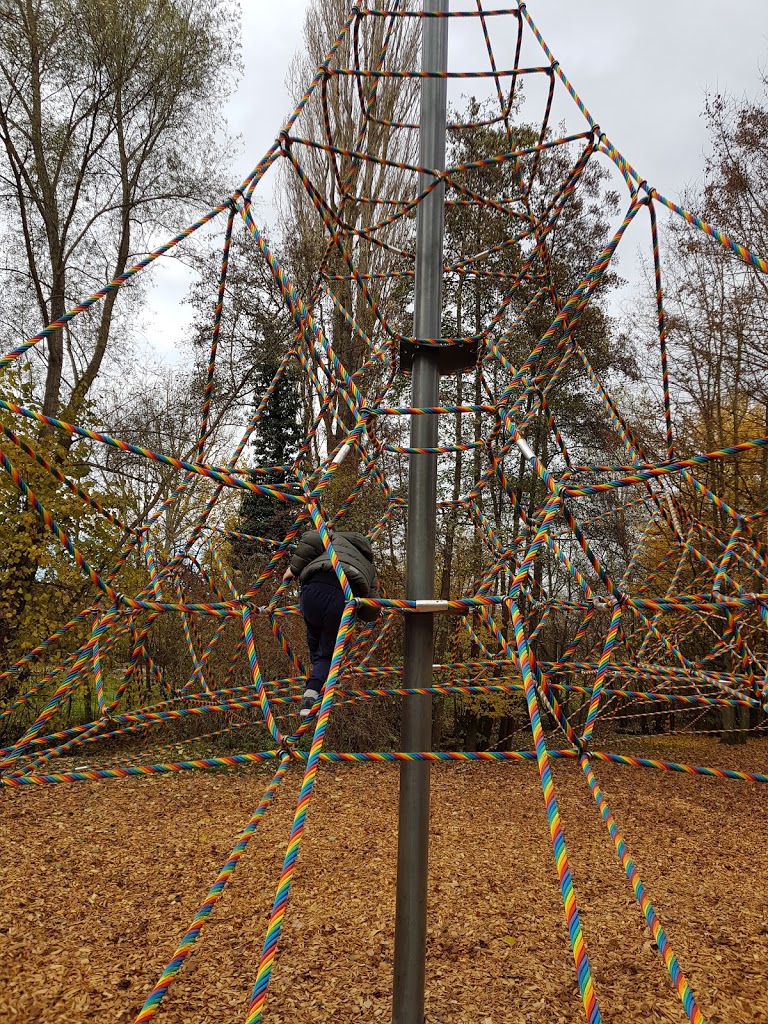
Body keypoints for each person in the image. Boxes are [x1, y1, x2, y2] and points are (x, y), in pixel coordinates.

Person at [282, 529, 380, 717]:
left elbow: (311, 538)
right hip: (339, 599)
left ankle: (325, 677)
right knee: (330, 651)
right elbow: (370, 611)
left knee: (315, 640)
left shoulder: (333, 537)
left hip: (310, 593)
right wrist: (376, 611)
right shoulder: (368, 566)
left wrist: (293, 569)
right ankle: (311, 694)